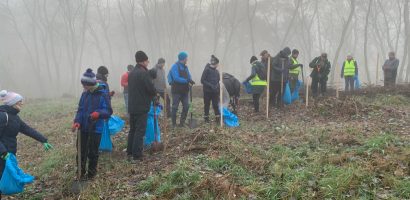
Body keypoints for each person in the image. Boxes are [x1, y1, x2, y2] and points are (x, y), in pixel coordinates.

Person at [0, 90, 53, 193]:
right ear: (12, 103)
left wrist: (43, 140)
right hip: (2, 153)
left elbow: (27, 129)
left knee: (3, 180)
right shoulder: (2, 116)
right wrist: (3, 152)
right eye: (19, 101)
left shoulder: (15, 117)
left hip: (9, 154)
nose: (22, 103)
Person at [72, 68, 112, 180]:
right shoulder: (85, 94)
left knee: (93, 152)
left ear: (90, 84)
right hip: (83, 128)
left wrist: (98, 113)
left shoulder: (102, 94)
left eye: (84, 85)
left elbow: (108, 111)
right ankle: (80, 173)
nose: (83, 87)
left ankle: (91, 174)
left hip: (95, 128)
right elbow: (80, 110)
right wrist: (77, 122)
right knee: (81, 151)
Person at [127, 51, 156, 162]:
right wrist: (154, 93)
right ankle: (137, 155)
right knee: (140, 130)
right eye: (147, 60)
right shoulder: (143, 73)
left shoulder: (131, 73)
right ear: (143, 61)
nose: (148, 62)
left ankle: (129, 153)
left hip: (132, 106)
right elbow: (150, 88)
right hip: (141, 106)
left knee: (133, 130)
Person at [168, 51, 195, 127]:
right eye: (186, 58)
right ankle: (174, 124)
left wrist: (190, 80)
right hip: (176, 91)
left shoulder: (185, 67)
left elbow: (189, 76)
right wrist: (186, 80)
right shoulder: (175, 66)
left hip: (185, 91)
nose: (187, 59)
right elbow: (176, 78)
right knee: (175, 107)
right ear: (183, 58)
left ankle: (181, 123)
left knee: (186, 106)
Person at [200, 55, 221, 123]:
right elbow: (202, 80)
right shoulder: (207, 70)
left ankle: (217, 118)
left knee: (215, 105)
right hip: (207, 91)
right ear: (215, 63)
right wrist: (210, 85)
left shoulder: (217, 71)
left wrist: (217, 86)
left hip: (215, 92)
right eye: (217, 64)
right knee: (207, 104)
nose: (218, 65)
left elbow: (218, 80)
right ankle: (206, 118)